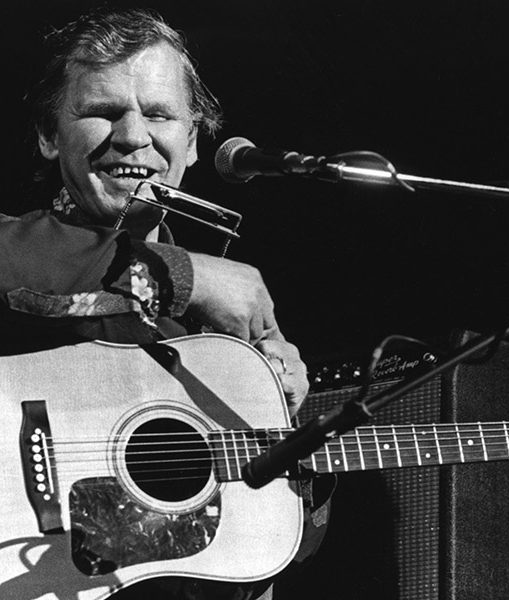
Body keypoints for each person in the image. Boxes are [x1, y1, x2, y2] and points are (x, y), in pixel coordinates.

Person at [0, 6, 330, 600]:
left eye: (158, 114)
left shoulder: (220, 337)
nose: (132, 136)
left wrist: (294, 451)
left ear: (194, 141)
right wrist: (182, 275)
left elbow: (258, 558)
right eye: (102, 112)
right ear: (49, 137)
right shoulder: (14, 245)